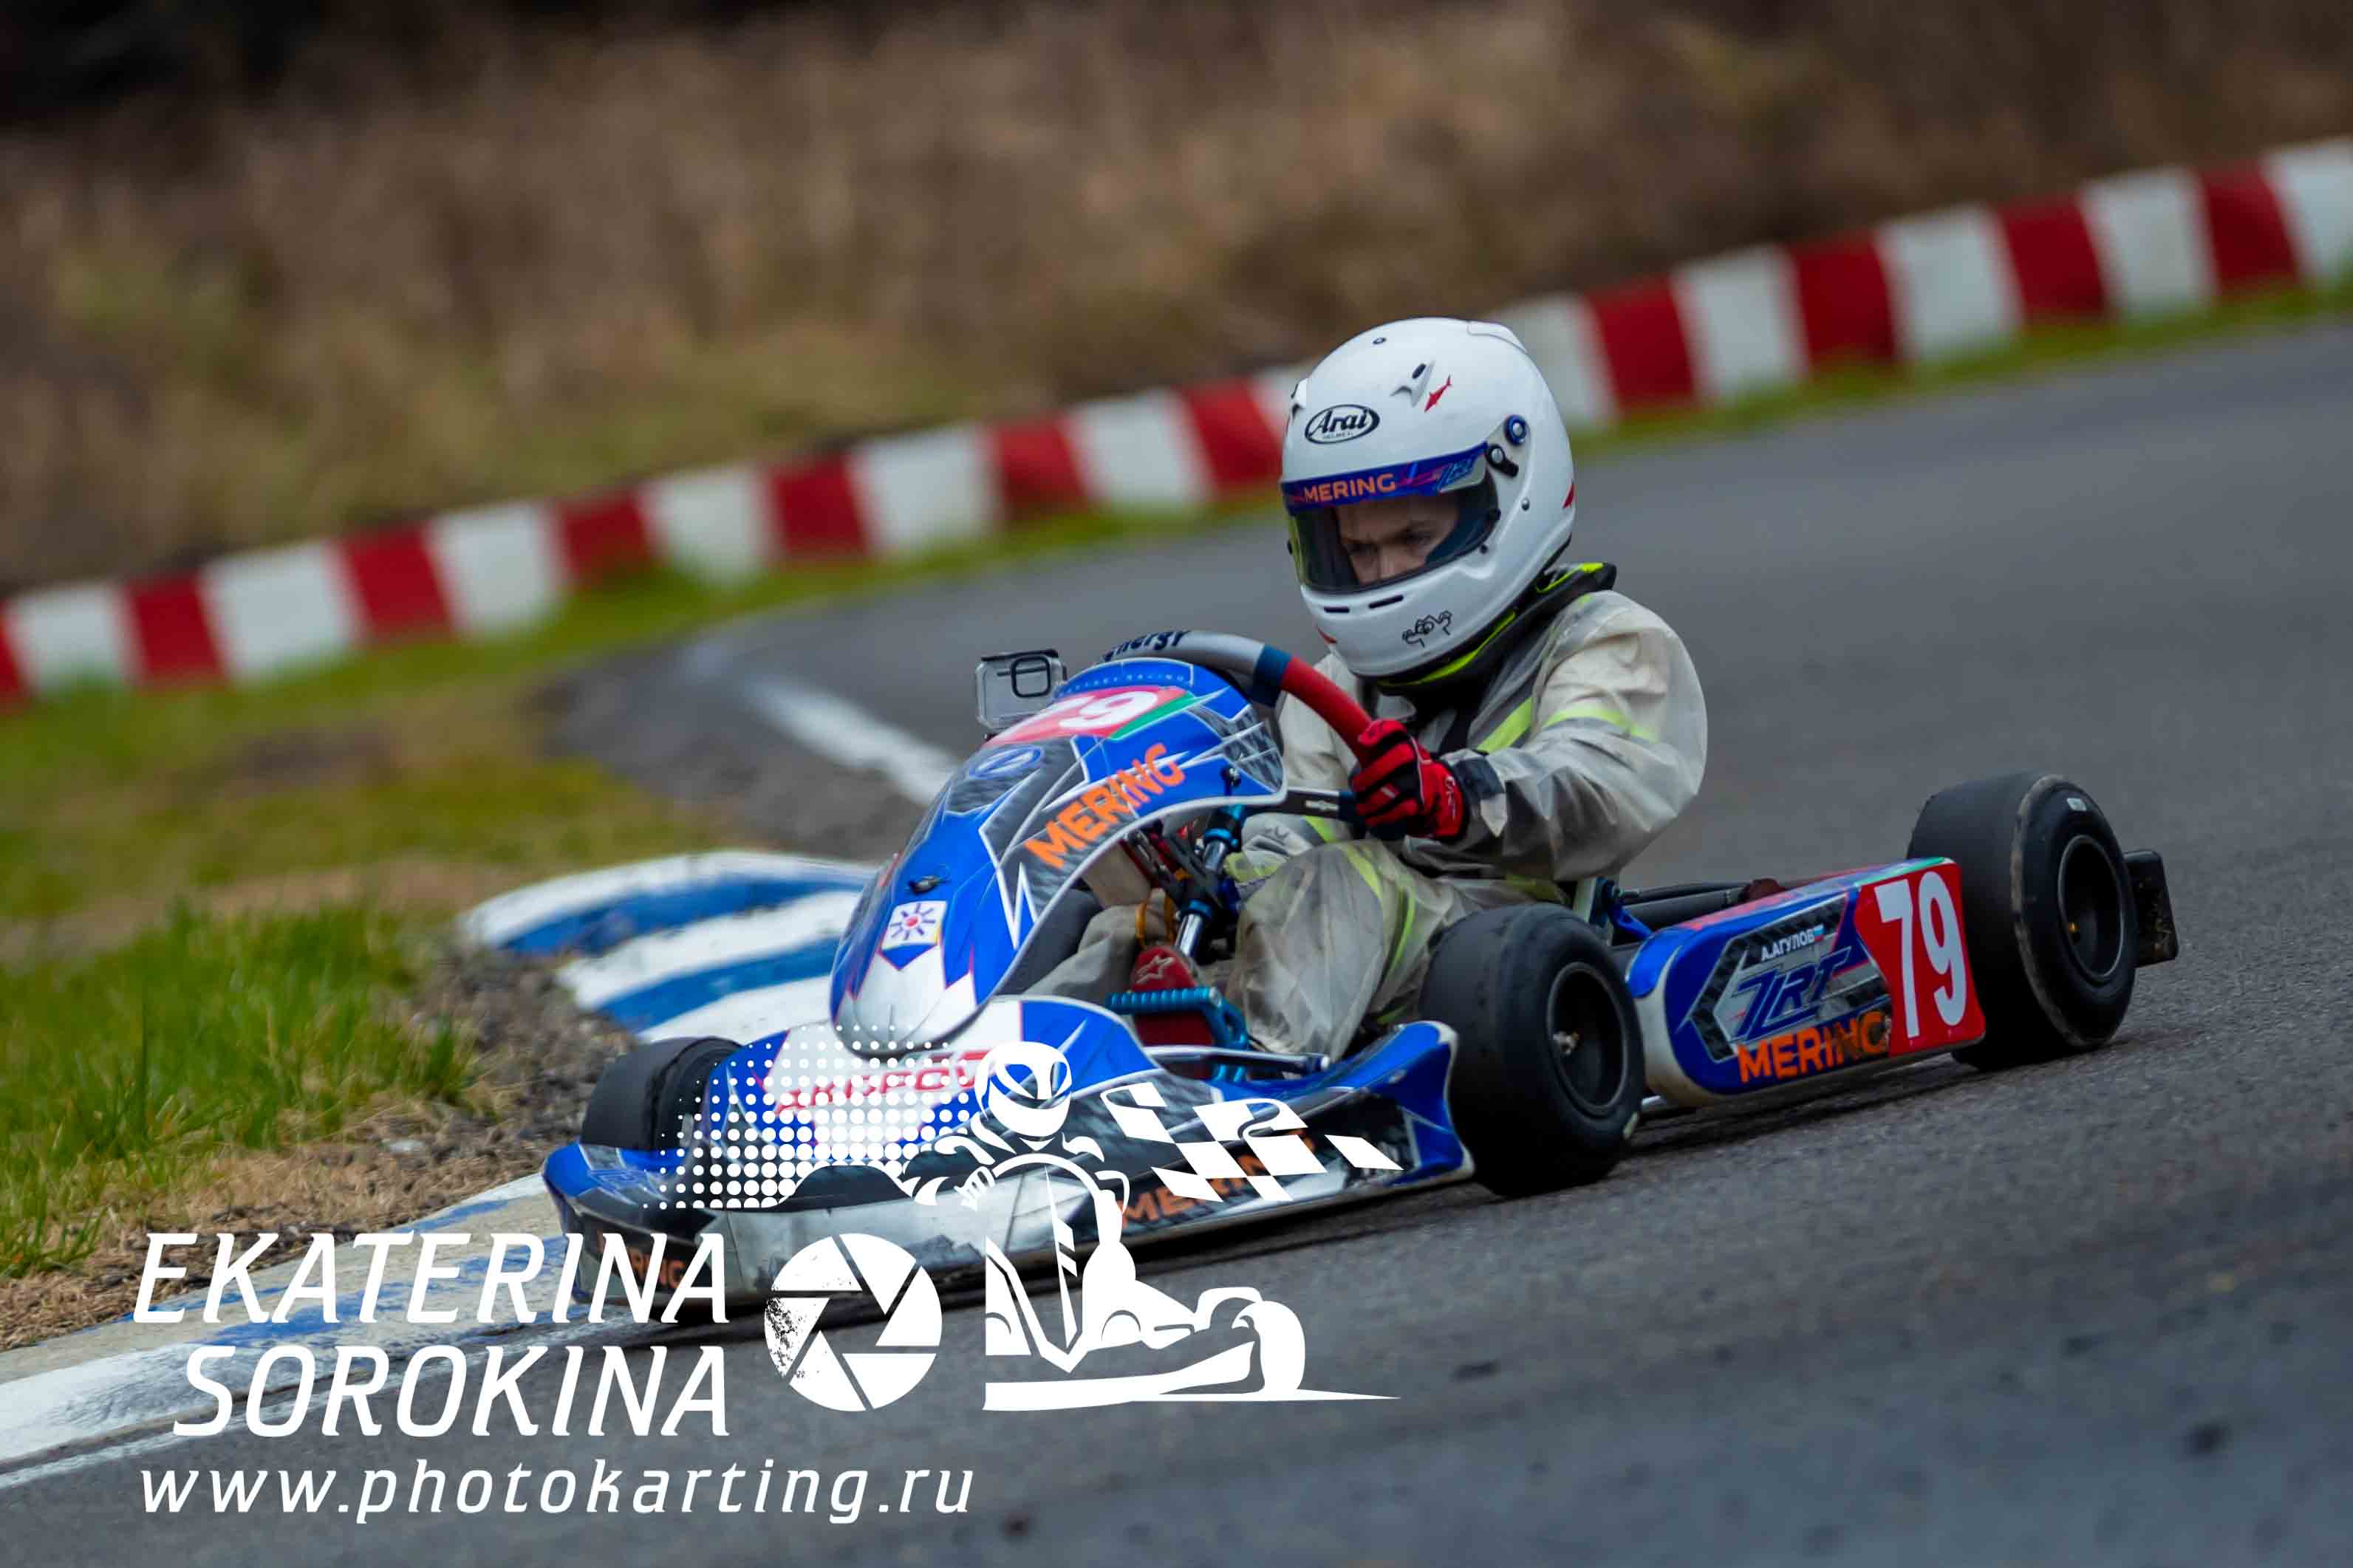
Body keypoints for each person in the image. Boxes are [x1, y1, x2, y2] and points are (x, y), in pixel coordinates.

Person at [1039, 316, 1708, 1057]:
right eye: (1357, 548)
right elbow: (1293, 840)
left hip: (1506, 939)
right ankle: (1011, 1072)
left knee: (1344, 880)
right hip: (1346, 951)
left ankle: (1249, 1070)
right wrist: (1210, 878)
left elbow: (1599, 787)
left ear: (1508, 494)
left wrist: (1453, 795)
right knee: (1119, 926)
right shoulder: (1336, 688)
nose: (1384, 572)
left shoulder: (1604, 640)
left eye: (1412, 537)